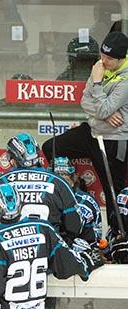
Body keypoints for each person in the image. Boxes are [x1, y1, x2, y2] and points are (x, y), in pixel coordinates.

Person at [42, 31, 128, 224]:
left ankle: (118, 238)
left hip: (114, 139)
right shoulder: (100, 66)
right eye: (102, 55)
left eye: (109, 58)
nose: (103, 61)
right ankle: (79, 193)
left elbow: (102, 105)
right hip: (92, 131)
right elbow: (84, 101)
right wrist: (103, 112)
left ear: (121, 59)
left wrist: (97, 83)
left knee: (114, 193)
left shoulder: (125, 79)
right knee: (51, 148)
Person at [0, 133, 83, 243]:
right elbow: (74, 225)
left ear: (12, 158)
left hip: (10, 251)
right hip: (50, 249)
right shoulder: (58, 182)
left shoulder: (0, 182)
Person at [50, 156, 102, 245]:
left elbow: (73, 229)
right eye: (57, 181)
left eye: (64, 180)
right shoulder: (45, 199)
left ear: (73, 180)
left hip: (83, 249)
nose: (60, 186)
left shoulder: (85, 202)